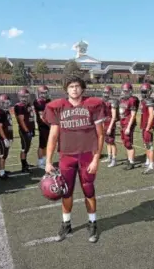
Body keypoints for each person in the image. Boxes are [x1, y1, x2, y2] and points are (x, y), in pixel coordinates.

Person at [43, 74, 106, 243]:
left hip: (87, 155)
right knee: (66, 191)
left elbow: (101, 135)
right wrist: (48, 161)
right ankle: (66, 223)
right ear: (66, 89)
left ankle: (92, 223)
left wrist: (96, 158)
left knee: (88, 190)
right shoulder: (58, 107)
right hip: (67, 156)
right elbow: (53, 136)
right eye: (71, 86)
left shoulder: (93, 105)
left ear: (82, 88)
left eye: (77, 86)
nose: (74, 89)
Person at [118, 83, 140, 170]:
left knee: (128, 143)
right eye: (124, 91)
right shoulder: (122, 99)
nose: (125, 92)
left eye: (126, 91)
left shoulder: (132, 100)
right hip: (123, 122)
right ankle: (129, 159)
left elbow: (133, 114)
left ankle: (131, 162)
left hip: (128, 123)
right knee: (125, 142)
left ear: (130, 91)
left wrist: (128, 127)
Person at [14, 88, 36, 172]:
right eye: (22, 97)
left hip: (29, 129)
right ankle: (23, 166)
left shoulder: (28, 105)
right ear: (19, 97)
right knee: (24, 148)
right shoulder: (19, 106)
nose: (24, 98)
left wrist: (32, 129)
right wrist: (27, 131)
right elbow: (21, 120)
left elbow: (31, 117)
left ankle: (25, 162)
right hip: (24, 131)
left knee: (27, 148)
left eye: (26, 96)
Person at [0, 94, 14, 178]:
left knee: (4, 154)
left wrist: (11, 137)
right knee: (3, 154)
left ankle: (1, 170)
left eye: (8, 102)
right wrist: (5, 139)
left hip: (7, 136)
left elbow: (9, 125)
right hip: (2, 137)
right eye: (4, 103)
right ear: (0, 103)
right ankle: (2, 173)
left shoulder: (6, 112)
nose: (7, 104)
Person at [139, 82, 154, 175]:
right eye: (142, 91)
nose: (143, 93)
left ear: (149, 91)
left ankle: (151, 165)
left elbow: (151, 115)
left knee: (149, 144)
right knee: (146, 144)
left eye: (144, 91)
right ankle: (148, 161)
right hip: (144, 124)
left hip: (148, 125)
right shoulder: (143, 101)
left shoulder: (150, 100)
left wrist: (148, 127)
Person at [33, 85, 51, 169]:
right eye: (42, 93)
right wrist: (50, 125)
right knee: (42, 144)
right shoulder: (38, 102)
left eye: (45, 92)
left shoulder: (48, 100)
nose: (44, 94)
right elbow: (42, 117)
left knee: (46, 144)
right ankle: (40, 162)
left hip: (48, 125)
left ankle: (44, 160)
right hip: (43, 126)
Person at [101, 85, 119, 168]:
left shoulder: (113, 102)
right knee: (107, 142)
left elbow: (114, 116)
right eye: (104, 92)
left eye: (107, 92)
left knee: (111, 142)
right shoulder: (104, 101)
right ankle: (109, 157)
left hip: (110, 123)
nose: (106, 94)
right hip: (105, 122)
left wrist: (110, 127)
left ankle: (114, 160)